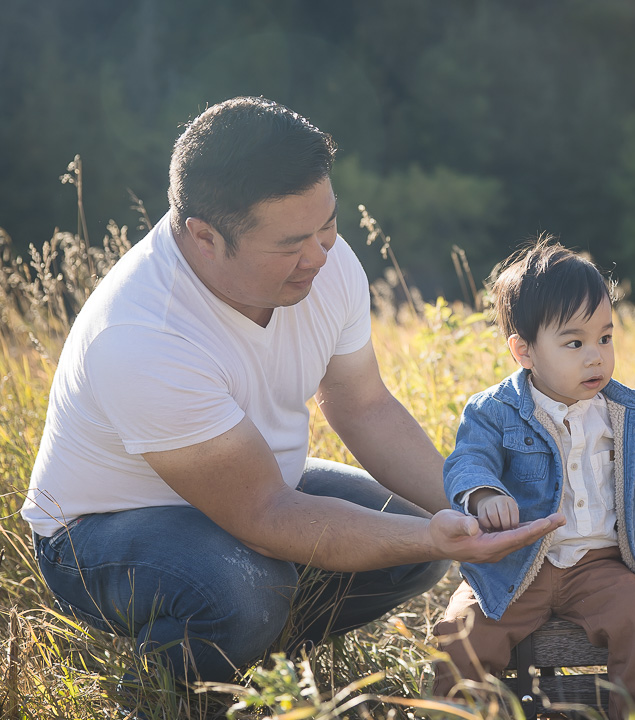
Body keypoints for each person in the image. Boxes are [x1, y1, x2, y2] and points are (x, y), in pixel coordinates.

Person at [19, 96, 564, 687]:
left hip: (258, 482)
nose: (320, 255)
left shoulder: (325, 261)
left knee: (419, 538)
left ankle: (258, 664)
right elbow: (266, 514)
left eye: (327, 226)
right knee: (245, 588)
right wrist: (430, 534)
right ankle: (164, 693)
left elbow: (364, 405)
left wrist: (470, 506)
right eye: (290, 244)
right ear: (204, 236)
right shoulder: (140, 334)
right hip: (103, 530)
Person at [432, 239, 635, 720]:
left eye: (605, 338)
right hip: (516, 566)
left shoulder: (620, 410)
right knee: (460, 635)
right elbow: (467, 461)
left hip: (599, 566)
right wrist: (484, 494)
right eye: (575, 343)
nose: (596, 357)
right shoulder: (495, 410)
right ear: (523, 350)